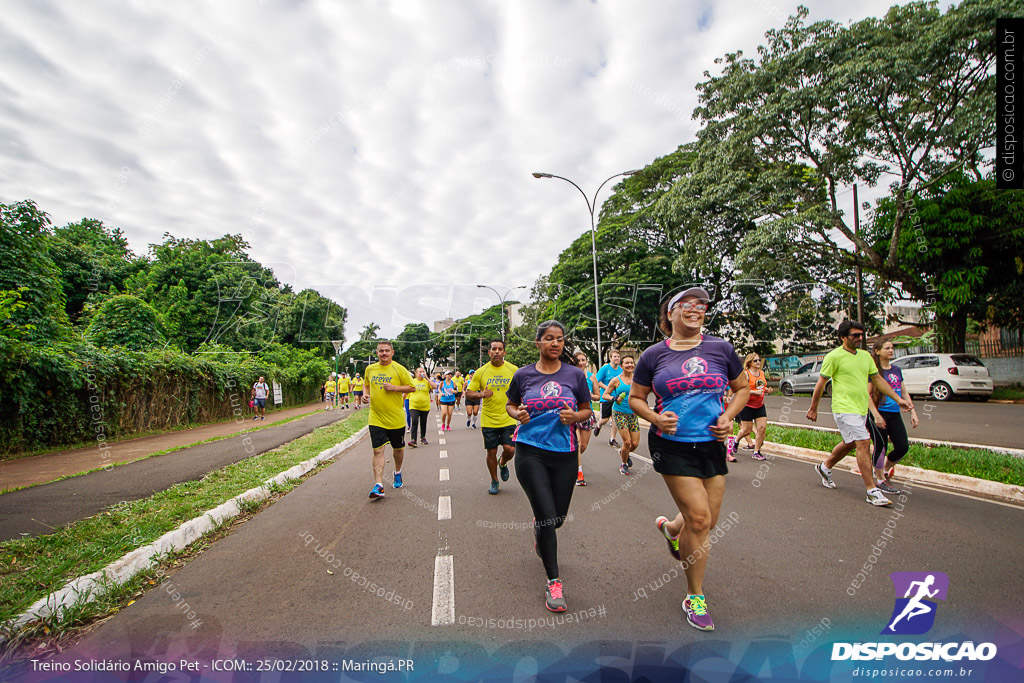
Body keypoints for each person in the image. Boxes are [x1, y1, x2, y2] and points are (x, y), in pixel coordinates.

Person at [630, 287, 749, 632]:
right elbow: (637, 397)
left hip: (711, 443)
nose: (695, 309)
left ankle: (670, 529)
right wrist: (654, 418)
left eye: (701, 305)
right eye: (686, 305)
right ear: (669, 314)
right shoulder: (654, 355)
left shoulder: (721, 348)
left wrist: (728, 416)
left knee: (708, 521)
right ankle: (694, 596)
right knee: (699, 520)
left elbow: (742, 388)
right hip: (672, 444)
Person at [506, 320, 592, 613]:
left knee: (557, 519)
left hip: (565, 452)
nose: (556, 344)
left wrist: (575, 418)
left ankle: (541, 530)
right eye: (549, 339)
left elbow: (586, 409)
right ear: (538, 343)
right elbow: (510, 404)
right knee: (545, 516)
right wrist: (517, 413)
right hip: (530, 451)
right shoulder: (523, 375)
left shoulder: (575, 375)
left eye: (560, 339)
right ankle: (554, 582)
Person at [807, 321, 912, 507]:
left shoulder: (865, 357)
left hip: (860, 409)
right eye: (855, 335)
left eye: (861, 335)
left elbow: (878, 380)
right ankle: (872, 491)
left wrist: (898, 399)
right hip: (843, 408)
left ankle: (824, 467)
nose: (859, 338)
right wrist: (813, 407)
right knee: (864, 442)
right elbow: (821, 383)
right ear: (843, 337)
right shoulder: (834, 356)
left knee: (850, 444)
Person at [362, 340, 415, 499]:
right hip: (376, 416)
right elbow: (366, 385)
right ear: (377, 353)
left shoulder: (399, 369)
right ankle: (378, 485)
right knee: (378, 450)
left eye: (386, 351)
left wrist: (394, 388)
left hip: (396, 418)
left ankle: (397, 472)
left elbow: (411, 387)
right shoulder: (370, 369)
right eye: (380, 351)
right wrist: (365, 394)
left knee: (398, 449)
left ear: (392, 352)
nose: (383, 353)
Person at [866, 340, 919, 493]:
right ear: (877, 351)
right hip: (878, 413)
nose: (891, 350)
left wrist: (912, 411)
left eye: (892, 348)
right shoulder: (874, 371)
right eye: (887, 348)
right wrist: (875, 414)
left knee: (902, 446)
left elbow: (903, 392)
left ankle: (885, 470)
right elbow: (866, 394)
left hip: (895, 413)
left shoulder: (896, 370)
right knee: (880, 446)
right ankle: (880, 479)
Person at [467, 340, 518, 495]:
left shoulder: (513, 370)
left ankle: (502, 463)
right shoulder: (481, 372)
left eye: (500, 349)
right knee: (491, 451)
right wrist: (481, 394)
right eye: (493, 349)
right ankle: (494, 480)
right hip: (489, 418)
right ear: (489, 352)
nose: (497, 351)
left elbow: (524, 388)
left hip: (508, 417)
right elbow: (468, 393)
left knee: (510, 449)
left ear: (504, 352)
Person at [603, 354, 641, 475]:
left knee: (635, 443)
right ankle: (623, 464)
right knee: (627, 442)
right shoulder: (616, 380)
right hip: (619, 413)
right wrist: (615, 398)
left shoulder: (637, 380)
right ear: (622, 366)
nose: (630, 365)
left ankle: (623, 452)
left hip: (633, 413)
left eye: (631, 363)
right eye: (627, 363)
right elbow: (605, 395)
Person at [733, 353, 771, 461]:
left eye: (759, 360)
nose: (758, 362)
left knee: (762, 428)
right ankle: (736, 441)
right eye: (756, 361)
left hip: (759, 405)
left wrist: (767, 389)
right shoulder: (746, 374)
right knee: (746, 431)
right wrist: (754, 392)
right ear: (749, 363)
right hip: (747, 406)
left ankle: (756, 452)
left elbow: (761, 386)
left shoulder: (762, 373)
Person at [573, 351, 599, 486]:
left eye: (583, 360)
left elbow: (597, 396)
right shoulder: (570, 377)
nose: (581, 363)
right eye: (578, 360)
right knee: (576, 443)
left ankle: (573, 460)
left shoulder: (592, 378)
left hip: (587, 413)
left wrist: (588, 394)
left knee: (583, 445)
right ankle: (579, 472)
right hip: (573, 414)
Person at [594, 349, 622, 448]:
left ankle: (612, 439)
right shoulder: (605, 368)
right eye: (614, 356)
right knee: (605, 419)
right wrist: (607, 388)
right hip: (606, 397)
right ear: (610, 358)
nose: (617, 358)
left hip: (617, 397)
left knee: (615, 418)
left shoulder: (620, 370)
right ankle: (598, 425)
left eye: (618, 356)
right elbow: (597, 381)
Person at [407, 367, 437, 448]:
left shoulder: (427, 382)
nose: (421, 373)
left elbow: (434, 387)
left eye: (423, 371)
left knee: (423, 422)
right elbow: (407, 391)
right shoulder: (412, 381)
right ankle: (413, 439)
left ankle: (423, 437)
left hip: (424, 406)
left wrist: (427, 378)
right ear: (416, 373)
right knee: (415, 421)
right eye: (420, 372)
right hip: (414, 406)